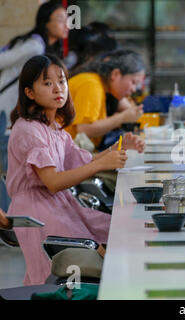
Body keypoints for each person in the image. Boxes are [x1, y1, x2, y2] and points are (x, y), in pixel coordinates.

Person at [6, 54, 142, 285]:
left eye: (62, 81)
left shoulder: (53, 127)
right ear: (29, 92)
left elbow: (83, 161)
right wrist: (101, 164)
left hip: (57, 204)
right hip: (36, 212)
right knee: (56, 273)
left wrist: (118, 148)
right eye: (47, 83)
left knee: (114, 230)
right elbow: (53, 182)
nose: (58, 88)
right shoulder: (28, 130)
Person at [0, 0, 68, 129]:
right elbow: (2, 60)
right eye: (60, 20)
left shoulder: (48, 48)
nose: (66, 26)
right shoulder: (35, 46)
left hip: (22, 109)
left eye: (67, 21)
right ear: (46, 22)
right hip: (8, 108)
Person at [66, 50, 145, 150]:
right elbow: (84, 129)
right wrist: (122, 118)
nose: (134, 89)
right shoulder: (91, 85)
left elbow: (131, 110)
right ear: (115, 74)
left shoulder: (103, 86)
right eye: (133, 82)